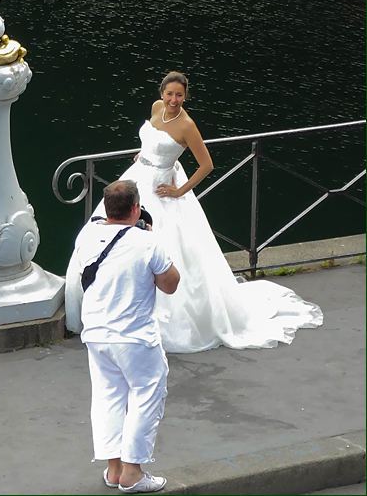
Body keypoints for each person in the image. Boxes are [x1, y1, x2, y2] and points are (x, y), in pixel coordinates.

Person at [65, 71, 323, 352]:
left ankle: (160, 318)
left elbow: (206, 165)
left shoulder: (187, 125)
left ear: (186, 96)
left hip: (163, 190)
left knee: (167, 247)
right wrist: (144, 153)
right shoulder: (156, 108)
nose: (173, 100)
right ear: (162, 92)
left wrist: (179, 190)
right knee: (111, 231)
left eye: (179, 95)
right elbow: (152, 138)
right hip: (139, 177)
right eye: (169, 94)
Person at [75, 179, 179, 493]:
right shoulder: (147, 242)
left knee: (108, 397)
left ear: (107, 209)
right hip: (135, 338)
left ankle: (113, 469)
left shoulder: (88, 234)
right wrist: (151, 239)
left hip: (95, 332)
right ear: (136, 208)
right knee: (146, 397)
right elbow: (171, 284)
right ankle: (133, 473)